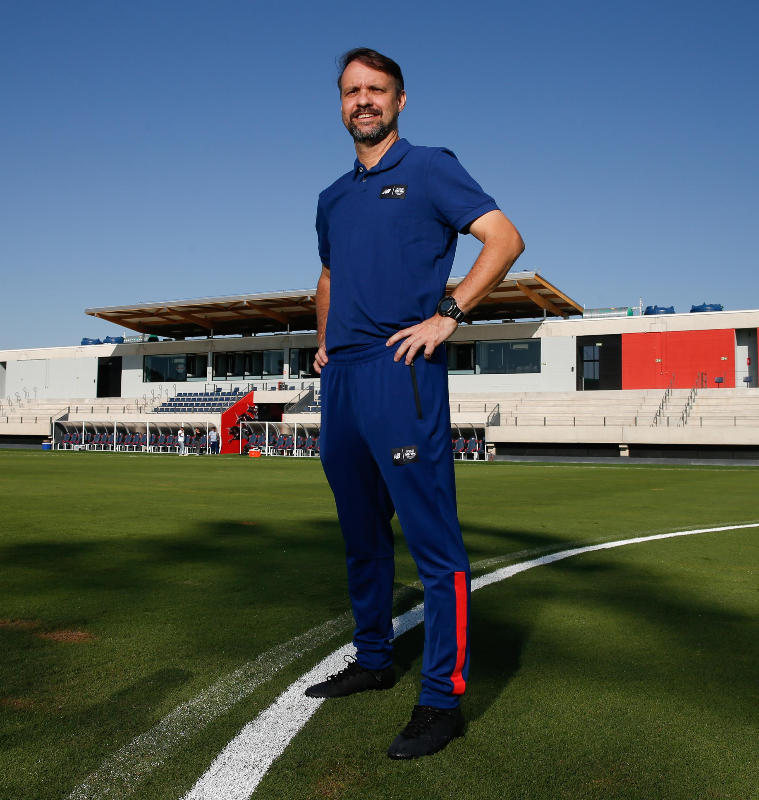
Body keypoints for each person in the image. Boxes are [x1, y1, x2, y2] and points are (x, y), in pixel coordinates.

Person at [305, 48, 525, 760]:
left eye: (375, 90)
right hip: (342, 378)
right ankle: (374, 660)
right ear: (340, 105)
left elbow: (504, 238)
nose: (362, 101)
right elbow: (329, 274)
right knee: (361, 536)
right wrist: (322, 344)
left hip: (402, 369)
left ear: (399, 101)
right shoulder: (332, 196)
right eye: (350, 92)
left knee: (435, 544)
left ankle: (442, 699)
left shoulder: (430, 167)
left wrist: (449, 314)